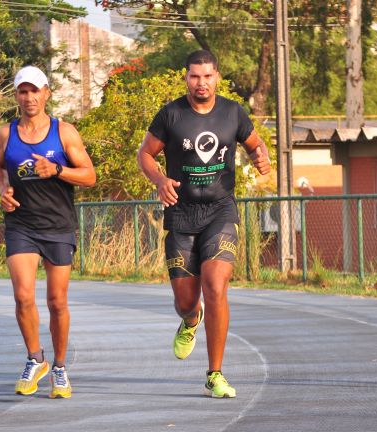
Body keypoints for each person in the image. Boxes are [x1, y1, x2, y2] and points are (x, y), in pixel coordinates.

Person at [137, 50, 271, 398]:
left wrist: (261, 157)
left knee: (215, 286)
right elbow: (145, 154)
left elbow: (256, 144)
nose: (201, 83)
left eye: (208, 76)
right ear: (186, 78)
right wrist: (160, 179)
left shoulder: (232, 112)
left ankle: (215, 373)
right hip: (181, 214)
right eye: (195, 76)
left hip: (220, 212)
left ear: (217, 77)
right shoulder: (170, 114)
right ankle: (190, 320)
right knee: (186, 301)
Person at [0, 66, 96, 398]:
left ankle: (61, 367)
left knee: (57, 301)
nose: (29, 97)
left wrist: (58, 169)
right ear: (17, 96)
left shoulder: (64, 132)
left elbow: (89, 176)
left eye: (34, 90)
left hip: (58, 226)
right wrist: (3, 189)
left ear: (46, 93)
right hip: (21, 224)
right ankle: (36, 358)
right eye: (23, 91)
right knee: (23, 296)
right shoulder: (6, 134)